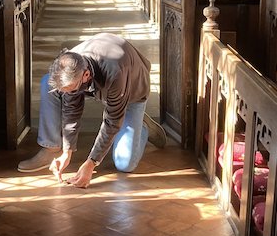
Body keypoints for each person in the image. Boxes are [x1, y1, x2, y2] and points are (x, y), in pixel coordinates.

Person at [18, 32, 166, 188]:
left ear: (86, 74)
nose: (67, 93)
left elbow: (112, 121)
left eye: (70, 88)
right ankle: (51, 148)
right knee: (46, 82)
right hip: (99, 77)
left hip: (132, 90)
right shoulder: (71, 64)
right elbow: (71, 110)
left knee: (125, 164)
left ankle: (143, 126)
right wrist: (67, 151)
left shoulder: (116, 72)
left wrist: (91, 163)